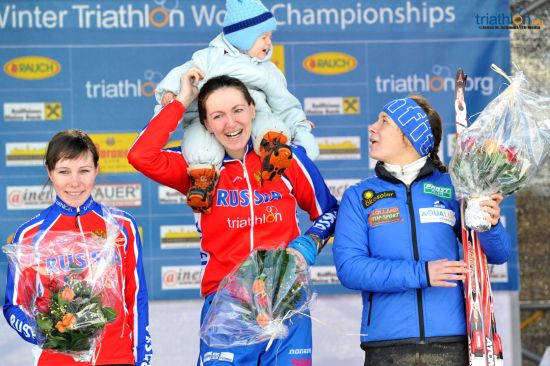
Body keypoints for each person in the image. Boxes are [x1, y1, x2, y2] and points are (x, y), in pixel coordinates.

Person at [128, 69, 338, 365]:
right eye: (217, 116)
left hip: (287, 303)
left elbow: (331, 211)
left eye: (238, 110)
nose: (231, 123)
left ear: (253, 110)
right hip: (228, 306)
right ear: (205, 124)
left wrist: (308, 245)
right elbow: (140, 155)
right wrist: (182, 100)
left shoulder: (283, 159)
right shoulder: (197, 168)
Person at [332, 96, 511, 365]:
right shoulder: (359, 195)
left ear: (409, 136)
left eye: (383, 122)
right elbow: (350, 269)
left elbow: (499, 253)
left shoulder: (456, 187)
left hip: (451, 342)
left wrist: (490, 223)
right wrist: (423, 273)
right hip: (387, 344)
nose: (371, 127)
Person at [3, 130, 152, 366]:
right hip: (56, 360)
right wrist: (47, 334)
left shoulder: (123, 227)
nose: (75, 182)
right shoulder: (31, 235)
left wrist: (143, 359)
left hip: (116, 357)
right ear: (49, 172)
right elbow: (15, 306)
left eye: (84, 170)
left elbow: (135, 298)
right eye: (64, 172)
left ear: (96, 170)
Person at [155, 0, 319, 214]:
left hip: (252, 115)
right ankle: (203, 180)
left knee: (264, 117)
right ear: (245, 37)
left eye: (269, 37)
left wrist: (298, 125)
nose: (269, 43)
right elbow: (184, 72)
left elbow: (284, 102)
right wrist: (170, 92)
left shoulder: (266, 70)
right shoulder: (210, 58)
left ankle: (273, 149)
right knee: (198, 136)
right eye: (263, 37)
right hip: (207, 118)